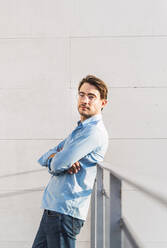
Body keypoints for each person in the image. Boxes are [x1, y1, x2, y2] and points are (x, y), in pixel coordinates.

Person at [32, 75, 109, 248]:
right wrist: (56, 158)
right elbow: (47, 156)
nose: (85, 100)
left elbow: (58, 164)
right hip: (53, 208)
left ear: (103, 103)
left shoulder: (93, 133)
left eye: (91, 97)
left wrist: (58, 160)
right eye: (82, 95)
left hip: (65, 212)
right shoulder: (80, 129)